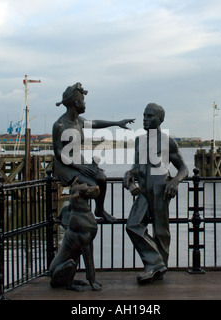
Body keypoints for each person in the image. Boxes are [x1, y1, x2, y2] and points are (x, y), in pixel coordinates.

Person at [123, 103, 188, 283]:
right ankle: (156, 263)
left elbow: (183, 168)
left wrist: (175, 181)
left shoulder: (168, 142)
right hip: (143, 190)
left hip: (161, 189)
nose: (145, 119)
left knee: (161, 231)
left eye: (150, 116)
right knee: (133, 225)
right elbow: (137, 167)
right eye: (144, 115)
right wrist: (129, 175)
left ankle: (156, 268)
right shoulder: (140, 141)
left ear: (160, 119)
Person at [52, 82, 134, 223]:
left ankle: (99, 210)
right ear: (76, 103)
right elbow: (59, 153)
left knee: (102, 178)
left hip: (79, 161)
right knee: (92, 186)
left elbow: (96, 123)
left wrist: (117, 123)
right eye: (83, 101)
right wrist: (78, 167)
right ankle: (71, 211)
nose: (85, 104)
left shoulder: (79, 121)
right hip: (66, 166)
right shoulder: (60, 125)